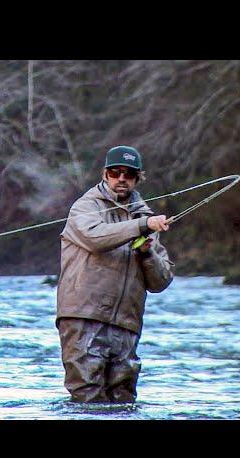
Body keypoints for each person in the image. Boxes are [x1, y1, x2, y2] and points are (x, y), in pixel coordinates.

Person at [55, 145, 175, 403]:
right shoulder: (85, 207)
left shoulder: (145, 216)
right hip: (84, 316)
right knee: (87, 398)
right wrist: (141, 225)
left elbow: (161, 281)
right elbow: (95, 238)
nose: (122, 178)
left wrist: (147, 253)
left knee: (124, 401)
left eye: (129, 174)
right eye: (115, 172)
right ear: (105, 174)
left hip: (127, 323)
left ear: (138, 178)